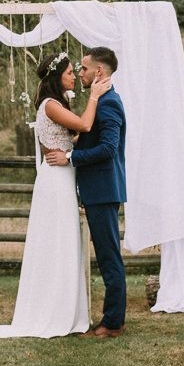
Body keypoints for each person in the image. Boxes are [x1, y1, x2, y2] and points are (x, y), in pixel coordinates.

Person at [0, 50, 109, 338]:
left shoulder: (55, 105)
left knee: (63, 241)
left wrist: (74, 146)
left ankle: (63, 308)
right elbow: (85, 125)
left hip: (63, 176)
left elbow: (73, 137)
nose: (74, 77)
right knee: (56, 241)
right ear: (56, 77)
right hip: (56, 180)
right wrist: (95, 96)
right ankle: (53, 311)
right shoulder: (50, 105)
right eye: (69, 73)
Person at [45, 46, 126, 338]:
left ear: (98, 71)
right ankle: (112, 319)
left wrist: (70, 157)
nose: (80, 74)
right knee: (106, 255)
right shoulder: (100, 101)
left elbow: (108, 149)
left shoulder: (109, 103)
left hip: (103, 190)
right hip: (97, 190)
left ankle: (113, 323)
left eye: (83, 68)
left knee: (108, 257)